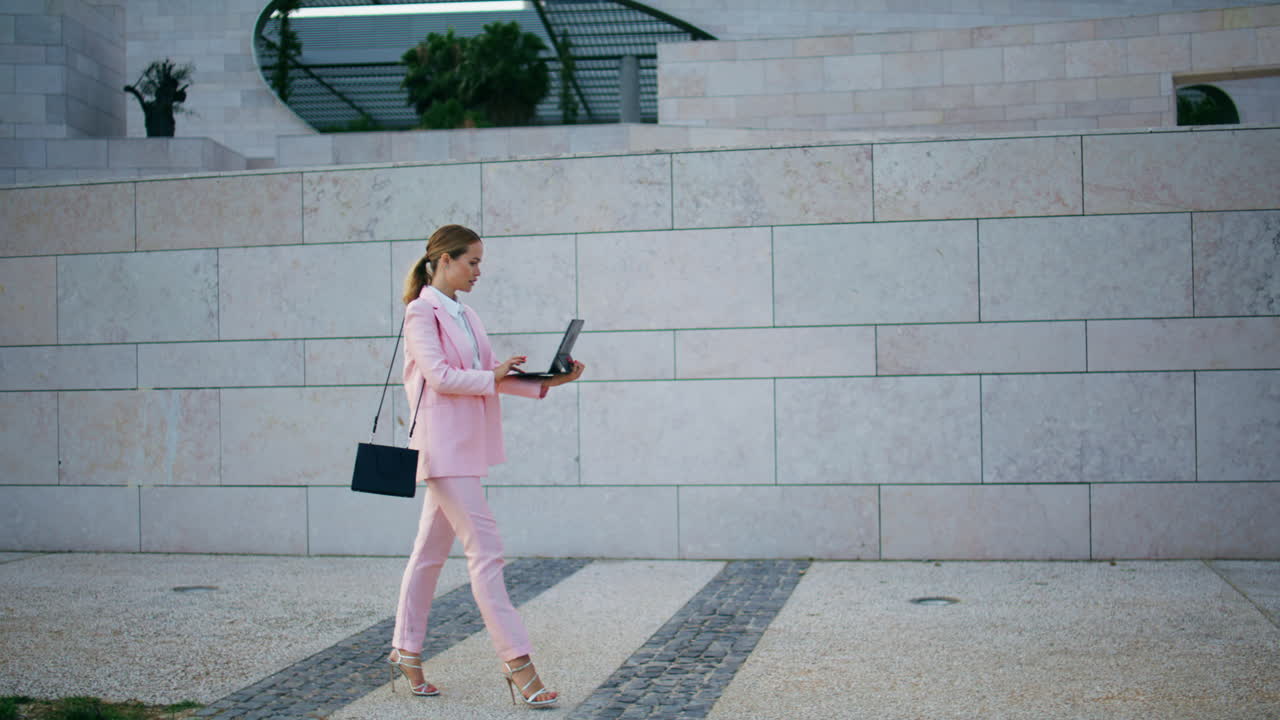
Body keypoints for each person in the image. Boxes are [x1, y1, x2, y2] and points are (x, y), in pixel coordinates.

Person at [388, 224, 585, 708]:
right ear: (445, 260)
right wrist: (491, 374)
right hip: (441, 447)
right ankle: (518, 663)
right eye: (472, 262)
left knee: (428, 555)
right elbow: (439, 377)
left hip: (466, 447)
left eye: (480, 263)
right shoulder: (421, 312)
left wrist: (549, 381)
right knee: (487, 551)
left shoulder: (467, 314)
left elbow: (492, 378)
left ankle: (405, 651)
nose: (479, 271)